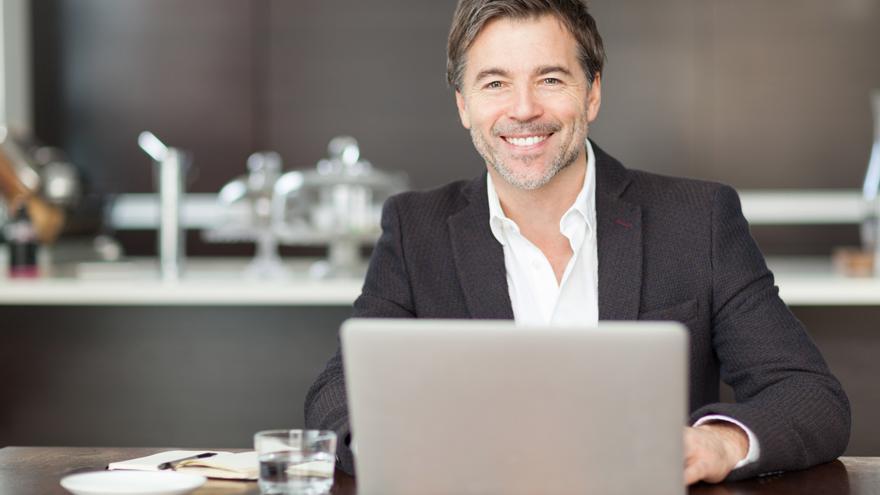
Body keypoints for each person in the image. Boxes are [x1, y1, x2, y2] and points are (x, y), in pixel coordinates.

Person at [305, 0, 850, 485]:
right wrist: (419, 453)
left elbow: (810, 397)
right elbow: (335, 396)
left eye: (550, 79)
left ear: (591, 94)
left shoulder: (697, 219)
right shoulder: (414, 227)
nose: (522, 109)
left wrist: (719, 442)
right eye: (494, 83)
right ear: (463, 104)